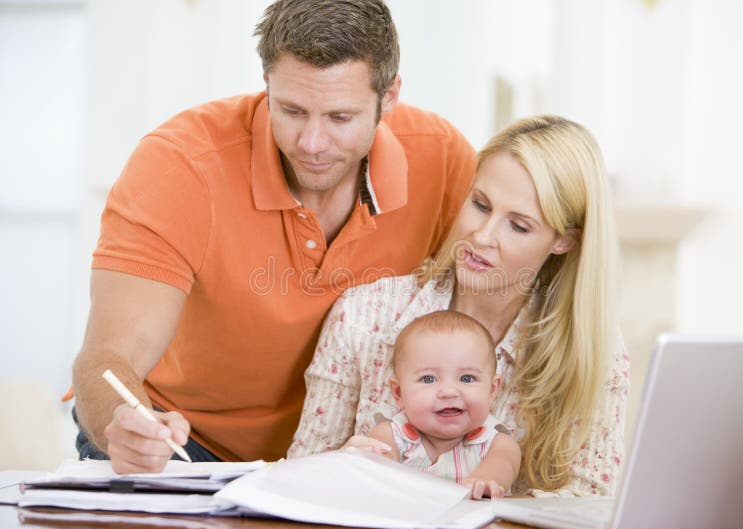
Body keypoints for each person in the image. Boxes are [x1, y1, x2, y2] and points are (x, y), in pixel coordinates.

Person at [69, 0, 475, 474]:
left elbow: (509, 299)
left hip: (347, 455)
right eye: (292, 110)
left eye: (340, 118)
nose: (313, 143)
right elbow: (108, 355)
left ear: (389, 97)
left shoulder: (442, 160)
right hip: (185, 447)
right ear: (266, 84)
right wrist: (128, 420)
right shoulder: (180, 163)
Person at [289, 115, 630, 496]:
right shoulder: (364, 315)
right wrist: (342, 468)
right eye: (481, 205)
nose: (482, 236)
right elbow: (299, 480)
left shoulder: (592, 349)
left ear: (563, 241)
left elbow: (590, 502)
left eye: (518, 226)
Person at [366, 310, 521, 499]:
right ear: (399, 392)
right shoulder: (391, 435)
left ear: (491, 390)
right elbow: (374, 467)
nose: (448, 391)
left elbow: (502, 466)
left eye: (467, 378)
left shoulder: (497, 445)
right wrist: (376, 461)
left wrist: (483, 480)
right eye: (428, 379)